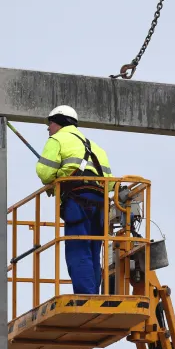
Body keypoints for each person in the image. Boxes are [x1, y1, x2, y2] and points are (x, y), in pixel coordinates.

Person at [35, 105, 114, 295]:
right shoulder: (95, 147)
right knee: (93, 251)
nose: (48, 128)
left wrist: (55, 180)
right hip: (100, 204)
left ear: (59, 123)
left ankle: (86, 297)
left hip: (77, 202)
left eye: (50, 123)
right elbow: (111, 184)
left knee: (78, 249)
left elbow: (44, 173)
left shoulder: (57, 139)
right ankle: (93, 296)